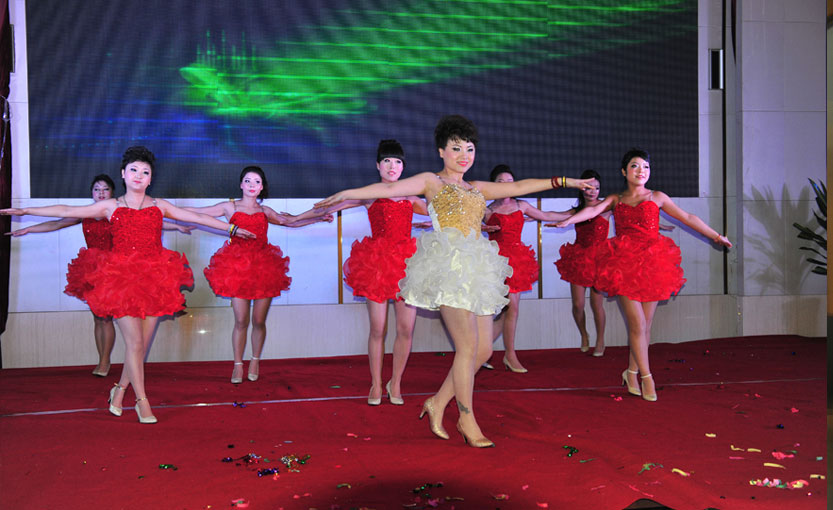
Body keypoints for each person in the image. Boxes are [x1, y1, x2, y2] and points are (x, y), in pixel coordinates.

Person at [316, 115, 592, 447]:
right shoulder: (431, 182)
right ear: (442, 151)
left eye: (470, 149)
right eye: (457, 148)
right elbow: (387, 189)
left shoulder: (477, 188)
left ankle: (437, 402)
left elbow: (520, 187)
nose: (464, 155)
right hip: (447, 268)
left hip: (477, 268)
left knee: (484, 350)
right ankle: (466, 418)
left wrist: (568, 182)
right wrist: (345, 192)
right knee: (467, 347)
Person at [1, 146, 254, 423]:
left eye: (145, 172)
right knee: (134, 343)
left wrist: (231, 228)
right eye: (133, 170)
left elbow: (197, 218)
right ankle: (142, 401)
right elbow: (67, 210)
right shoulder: (111, 206)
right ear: (123, 174)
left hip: (155, 280)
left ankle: (119, 391)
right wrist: (26, 210)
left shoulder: (159, 205)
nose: (138, 175)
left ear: (150, 178)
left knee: (140, 346)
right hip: (120, 280)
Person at [555, 148, 731, 402]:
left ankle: (631, 373)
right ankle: (648, 378)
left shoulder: (657, 196)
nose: (641, 171)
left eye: (646, 167)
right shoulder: (616, 199)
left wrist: (716, 236)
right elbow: (592, 211)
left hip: (653, 264)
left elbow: (687, 217)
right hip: (623, 265)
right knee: (637, 325)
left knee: (645, 327)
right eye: (635, 166)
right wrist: (567, 222)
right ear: (624, 171)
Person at [6, 175, 195, 376]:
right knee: (98, 318)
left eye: (105, 189)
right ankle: (103, 360)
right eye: (97, 189)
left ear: (112, 192)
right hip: (92, 269)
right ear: (92, 193)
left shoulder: (115, 212)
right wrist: (28, 229)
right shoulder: (87, 214)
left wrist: (176, 226)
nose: (101, 193)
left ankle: (108, 362)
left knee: (107, 318)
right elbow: (56, 223)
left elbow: (150, 223)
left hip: (115, 270)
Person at [297, 140, 428, 405]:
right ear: (378, 165)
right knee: (378, 328)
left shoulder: (412, 198)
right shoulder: (369, 195)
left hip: (407, 266)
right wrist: (295, 219)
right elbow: (330, 205)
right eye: (387, 161)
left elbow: (444, 217)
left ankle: (396, 383)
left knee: (406, 328)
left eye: (398, 162)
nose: (392, 166)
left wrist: (477, 225)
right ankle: (376, 384)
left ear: (403, 167)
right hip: (376, 265)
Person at [184, 166, 330, 384]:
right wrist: (166, 210)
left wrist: (317, 218)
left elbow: (290, 220)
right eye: (248, 181)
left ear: (262, 187)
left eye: (257, 182)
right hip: (236, 268)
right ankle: (237, 365)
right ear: (241, 184)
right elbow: (199, 213)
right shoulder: (229, 207)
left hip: (264, 268)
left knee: (259, 321)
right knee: (241, 320)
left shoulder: (265, 211)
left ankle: (255, 360)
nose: (252, 185)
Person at [482, 164, 573, 373]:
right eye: (500, 182)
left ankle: (508, 354)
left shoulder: (521, 205)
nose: (505, 185)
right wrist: (481, 227)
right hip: (493, 261)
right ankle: (483, 351)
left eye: (509, 181)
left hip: (517, 261)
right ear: (492, 185)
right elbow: (465, 227)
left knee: (511, 308)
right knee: (498, 310)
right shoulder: (486, 209)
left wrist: (574, 213)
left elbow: (547, 215)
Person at [551, 169, 611, 357]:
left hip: (599, 259)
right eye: (589, 188)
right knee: (578, 304)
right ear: (581, 188)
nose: (593, 192)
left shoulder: (606, 207)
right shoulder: (576, 211)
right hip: (579, 259)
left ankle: (600, 341)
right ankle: (584, 334)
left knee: (596, 304)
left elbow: (630, 215)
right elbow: (553, 215)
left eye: (597, 188)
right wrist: (533, 214)